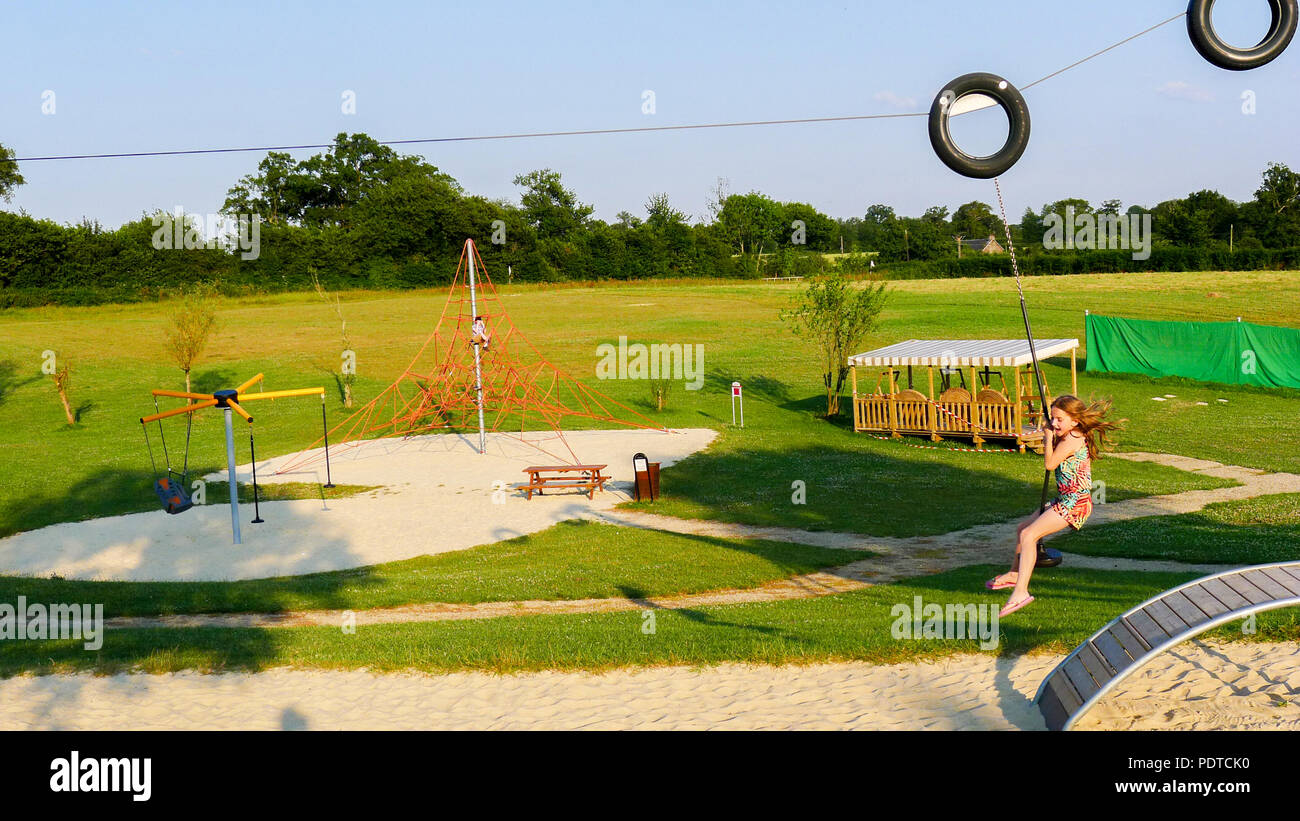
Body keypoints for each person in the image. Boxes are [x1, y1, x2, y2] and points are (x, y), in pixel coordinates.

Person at [986, 395, 1122, 616]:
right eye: (1053, 418)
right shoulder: (1072, 433)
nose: (1055, 423)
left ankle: (1021, 592)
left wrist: (1048, 437)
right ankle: (1014, 574)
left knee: (1029, 535)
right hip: (1065, 498)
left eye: (1059, 419)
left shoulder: (1072, 440)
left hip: (1075, 503)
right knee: (1023, 529)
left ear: (1075, 421)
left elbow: (1050, 463)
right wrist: (1051, 434)